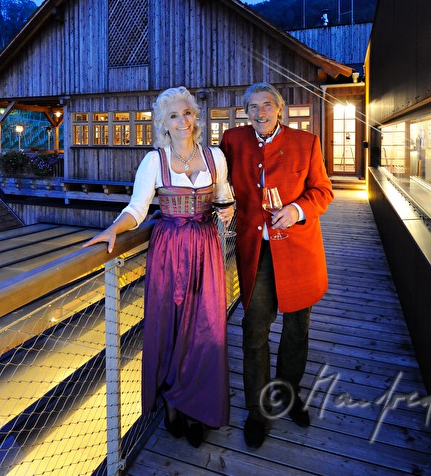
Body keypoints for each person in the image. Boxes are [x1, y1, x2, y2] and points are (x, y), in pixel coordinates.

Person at [84, 86, 234, 448]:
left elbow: (224, 197)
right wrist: (112, 229)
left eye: (188, 113)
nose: (183, 121)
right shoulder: (154, 161)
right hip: (169, 252)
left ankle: (198, 408)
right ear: (163, 124)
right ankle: (171, 401)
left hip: (206, 249)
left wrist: (229, 210)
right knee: (169, 326)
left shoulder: (215, 156)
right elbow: (137, 210)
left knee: (206, 330)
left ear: (195, 117)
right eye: (174, 116)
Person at [219, 82, 333, 448]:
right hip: (257, 251)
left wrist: (296, 210)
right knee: (254, 330)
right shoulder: (233, 140)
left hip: (299, 250)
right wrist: (223, 204)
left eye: (266, 105)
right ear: (246, 112)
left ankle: (288, 393)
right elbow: (220, 182)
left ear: (279, 109)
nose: (259, 112)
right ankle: (257, 410)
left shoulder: (307, 143)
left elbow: (323, 191)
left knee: (296, 329)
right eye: (252, 107)